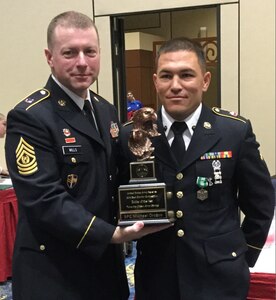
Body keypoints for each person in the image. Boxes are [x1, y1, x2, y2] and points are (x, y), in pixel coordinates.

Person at [5, 11, 169, 300]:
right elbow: (44, 199)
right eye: (70, 52)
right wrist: (110, 235)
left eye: (89, 51)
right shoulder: (30, 117)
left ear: (99, 54)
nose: (82, 62)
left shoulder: (105, 109)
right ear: (49, 56)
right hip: (55, 270)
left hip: (104, 265)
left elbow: (115, 176)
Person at [119, 37, 275, 299]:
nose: (176, 85)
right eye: (167, 76)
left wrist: (242, 255)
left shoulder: (233, 131)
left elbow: (261, 203)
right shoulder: (132, 135)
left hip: (219, 278)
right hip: (157, 277)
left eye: (187, 75)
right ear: (156, 81)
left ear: (205, 81)